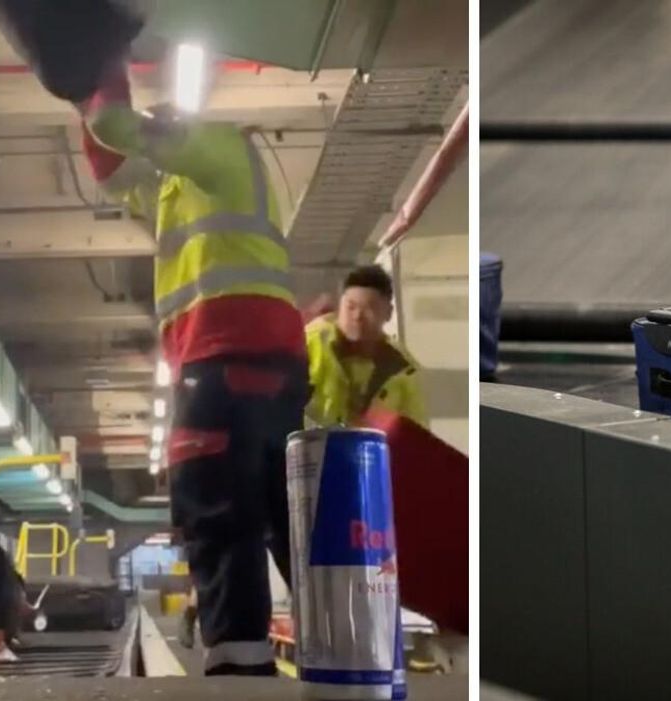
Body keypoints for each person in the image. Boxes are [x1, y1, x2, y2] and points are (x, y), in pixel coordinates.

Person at [77, 62, 306, 676]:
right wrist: (86, 106)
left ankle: (239, 680)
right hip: (261, 364)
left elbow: (119, 127)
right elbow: (114, 168)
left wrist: (88, 68)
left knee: (221, 517)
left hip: (224, 355)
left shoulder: (224, 147)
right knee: (292, 520)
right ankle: (344, 658)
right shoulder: (174, 190)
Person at [305, 265, 427, 428]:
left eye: (369, 308)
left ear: (389, 313)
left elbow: (415, 436)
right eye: (351, 307)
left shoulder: (403, 370)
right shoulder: (310, 343)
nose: (357, 316)